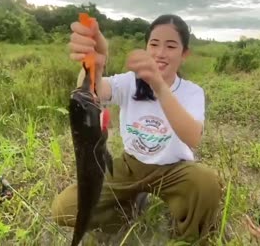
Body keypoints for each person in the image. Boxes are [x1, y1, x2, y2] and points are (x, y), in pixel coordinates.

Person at [51, 14, 223, 244]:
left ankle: (187, 237)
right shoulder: (129, 82)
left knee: (206, 184)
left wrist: (159, 86)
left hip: (173, 170)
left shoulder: (192, 92)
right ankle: (126, 211)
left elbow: (193, 138)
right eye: (154, 44)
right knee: (65, 208)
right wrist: (95, 63)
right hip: (130, 166)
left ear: (184, 55)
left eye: (171, 46)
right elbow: (89, 95)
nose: (160, 53)